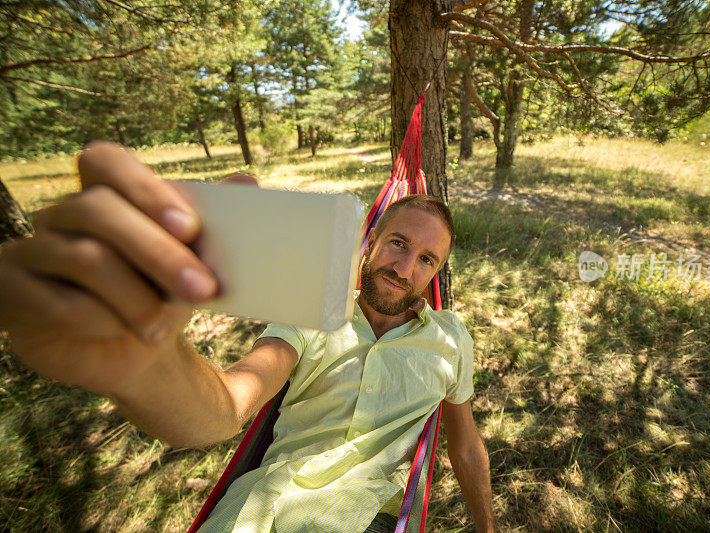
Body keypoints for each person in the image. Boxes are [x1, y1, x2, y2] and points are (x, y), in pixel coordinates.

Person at [0, 142, 496, 532]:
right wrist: (149, 360)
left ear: (437, 271)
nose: (406, 268)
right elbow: (231, 403)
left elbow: (466, 445)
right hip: (261, 510)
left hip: (367, 513)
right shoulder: (315, 311)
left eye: (427, 259)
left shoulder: (450, 338)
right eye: (398, 243)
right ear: (368, 245)